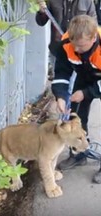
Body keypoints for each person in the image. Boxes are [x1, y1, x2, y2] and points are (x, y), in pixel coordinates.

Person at [51, 14, 101, 183]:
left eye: (81, 46)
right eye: (74, 45)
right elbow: (62, 73)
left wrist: (86, 93)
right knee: (76, 117)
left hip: (97, 77)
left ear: (93, 37)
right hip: (85, 74)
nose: (77, 50)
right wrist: (60, 96)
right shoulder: (67, 44)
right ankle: (78, 154)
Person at [35, 0, 97, 80]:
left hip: (78, 53)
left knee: (75, 84)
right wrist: (42, 12)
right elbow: (40, 22)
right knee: (60, 83)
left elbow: (93, 26)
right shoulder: (52, 1)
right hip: (58, 50)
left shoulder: (87, 1)